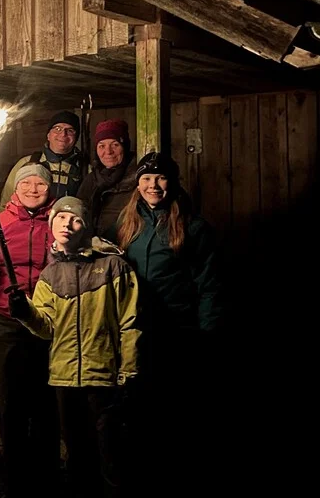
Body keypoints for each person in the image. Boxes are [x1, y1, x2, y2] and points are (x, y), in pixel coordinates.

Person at [10, 196, 139, 498]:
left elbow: (130, 323)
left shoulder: (113, 267)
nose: (66, 224)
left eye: (75, 219)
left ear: (86, 226)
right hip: (64, 378)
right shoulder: (50, 275)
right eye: (59, 219)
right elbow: (47, 327)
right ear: (51, 225)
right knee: (76, 456)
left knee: (111, 456)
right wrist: (25, 311)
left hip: (104, 377)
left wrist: (129, 372)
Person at [115, 152, 223, 497]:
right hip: (135, 330)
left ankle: (177, 477)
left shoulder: (192, 226)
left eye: (160, 178)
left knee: (174, 408)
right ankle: (142, 474)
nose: (153, 185)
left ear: (171, 182)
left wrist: (207, 331)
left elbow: (210, 283)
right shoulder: (127, 222)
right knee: (138, 405)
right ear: (138, 183)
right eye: (146, 178)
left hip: (177, 329)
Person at [0, 164, 59, 497]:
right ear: (15, 188)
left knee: (46, 399)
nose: (34, 189)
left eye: (40, 184)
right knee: (9, 398)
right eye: (27, 183)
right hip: (8, 320)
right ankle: (14, 468)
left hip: (49, 322)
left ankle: (46, 470)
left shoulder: (58, 220)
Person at [0, 110, 86, 211]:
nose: (63, 134)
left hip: (66, 225)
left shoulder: (85, 169)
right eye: (57, 129)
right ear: (48, 135)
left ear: (76, 137)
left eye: (70, 130)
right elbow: (5, 203)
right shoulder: (26, 163)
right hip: (28, 225)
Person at [77, 119, 137, 240]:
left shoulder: (137, 178)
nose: (108, 152)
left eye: (115, 145)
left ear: (124, 146)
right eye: (102, 146)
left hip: (125, 245)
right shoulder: (91, 179)